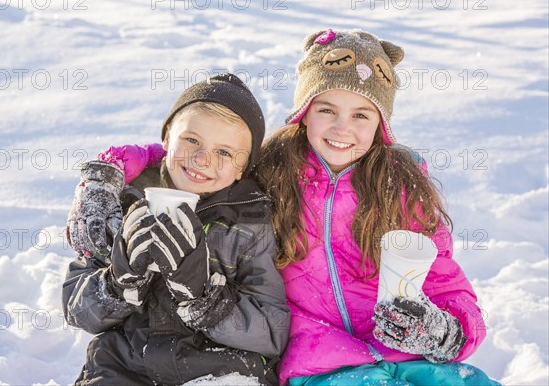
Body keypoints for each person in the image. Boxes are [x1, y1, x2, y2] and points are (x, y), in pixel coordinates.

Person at [253, 29, 500, 385]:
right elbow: (202, 164)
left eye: (361, 115)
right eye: (327, 109)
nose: (342, 128)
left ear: (381, 125)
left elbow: (444, 281)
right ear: (304, 113)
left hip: (405, 351)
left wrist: (446, 331)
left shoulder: (399, 188)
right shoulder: (269, 173)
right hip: (323, 360)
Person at [63, 73, 290, 385]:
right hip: (126, 363)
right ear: (167, 138)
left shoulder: (250, 222)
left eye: (224, 152)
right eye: (192, 140)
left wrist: (204, 300)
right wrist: (119, 283)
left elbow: (272, 332)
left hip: (220, 368)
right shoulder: (128, 201)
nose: (201, 159)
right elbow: (78, 310)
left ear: (243, 169)